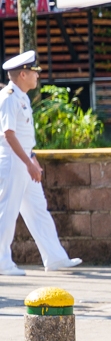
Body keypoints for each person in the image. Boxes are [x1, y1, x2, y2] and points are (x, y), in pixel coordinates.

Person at [0, 52, 82, 277]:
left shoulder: (22, 96)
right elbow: (8, 134)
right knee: (7, 210)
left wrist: (32, 158)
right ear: (23, 74)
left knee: (38, 210)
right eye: (34, 72)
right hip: (12, 162)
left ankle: (55, 258)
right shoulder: (8, 97)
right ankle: (2, 261)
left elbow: (23, 135)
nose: (38, 75)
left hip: (24, 160)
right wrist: (28, 163)